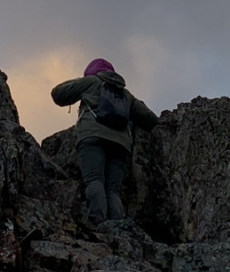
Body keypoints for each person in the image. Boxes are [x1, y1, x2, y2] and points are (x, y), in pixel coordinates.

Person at [51, 58, 158, 225]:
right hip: (121, 145)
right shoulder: (126, 94)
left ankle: (99, 222)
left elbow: (58, 94)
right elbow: (150, 120)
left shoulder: (91, 82)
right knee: (112, 189)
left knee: (95, 179)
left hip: (93, 137)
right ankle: (118, 227)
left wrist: (80, 81)